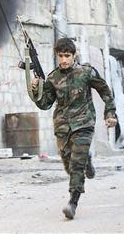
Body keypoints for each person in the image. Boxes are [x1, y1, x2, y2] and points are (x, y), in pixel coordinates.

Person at [30, 37, 117, 219]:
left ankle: (73, 201)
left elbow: (105, 91)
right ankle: (87, 161)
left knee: (76, 164)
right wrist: (35, 90)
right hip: (63, 126)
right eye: (60, 56)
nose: (63, 60)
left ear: (74, 55)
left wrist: (109, 113)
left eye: (67, 56)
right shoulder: (53, 78)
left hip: (84, 123)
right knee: (69, 164)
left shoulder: (86, 72)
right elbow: (45, 104)